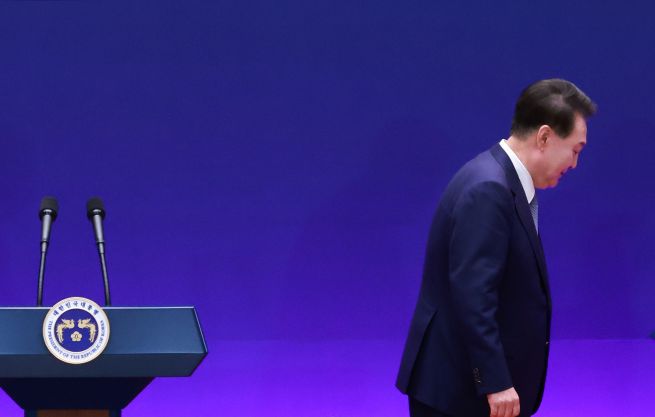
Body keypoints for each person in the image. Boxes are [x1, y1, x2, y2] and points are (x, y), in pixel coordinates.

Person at [396, 79, 596, 417]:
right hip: (460, 395)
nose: (575, 163)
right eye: (575, 150)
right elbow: (473, 296)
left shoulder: (499, 179)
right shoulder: (489, 189)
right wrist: (495, 381)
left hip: (467, 391)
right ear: (544, 137)